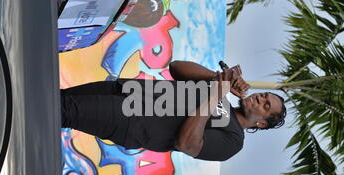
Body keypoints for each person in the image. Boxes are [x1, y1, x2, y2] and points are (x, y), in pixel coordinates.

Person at [61, 60, 287, 161]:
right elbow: (176, 67)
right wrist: (216, 78)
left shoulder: (234, 140)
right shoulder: (221, 95)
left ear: (261, 123)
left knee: (64, 110)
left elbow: (187, 144)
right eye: (263, 96)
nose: (259, 98)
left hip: (132, 121)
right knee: (59, 100)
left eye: (265, 106)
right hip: (123, 90)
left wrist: (216, 94)